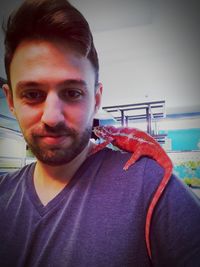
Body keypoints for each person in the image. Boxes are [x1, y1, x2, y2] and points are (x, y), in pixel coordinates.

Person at [0, 0, 200, 266]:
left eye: (72, 93)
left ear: (96, 100)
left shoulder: (149, 185)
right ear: (10, 100)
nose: (52, 117)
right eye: (33, 94)